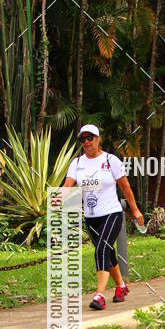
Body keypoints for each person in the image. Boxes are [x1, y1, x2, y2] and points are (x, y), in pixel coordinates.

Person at [63, 123, 145, 310]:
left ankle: (99, 295)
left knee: (101, 249)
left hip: (112, 212)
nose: (86, 142)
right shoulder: (77, 163)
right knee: (107, 252)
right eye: (82, 139)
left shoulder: (110, 160)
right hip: (91, 217)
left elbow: (125, 187)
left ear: (98, 139)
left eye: (89, 138)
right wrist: (58, 198)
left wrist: (135, 210)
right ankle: (121, 286)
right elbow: (68, 185)